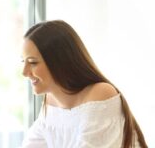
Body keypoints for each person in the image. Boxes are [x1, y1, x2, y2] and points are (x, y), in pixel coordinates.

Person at [21, 20, 148, 148]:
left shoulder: (100, 94)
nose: (24, 72)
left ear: (60, 61)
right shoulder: (51, 102)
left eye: (33, 62)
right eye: (23, 61)